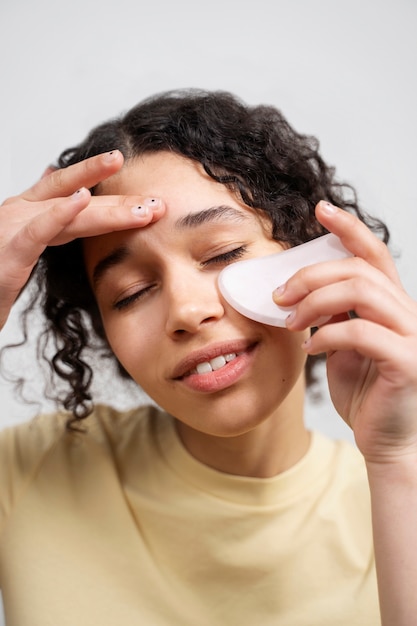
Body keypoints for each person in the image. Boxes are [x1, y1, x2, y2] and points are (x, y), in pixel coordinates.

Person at [0, 89, 416, 626]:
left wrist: (397, 458)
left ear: (314, 252)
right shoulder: (27, 474)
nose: (186, 311)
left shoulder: (398, 482)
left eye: (223, 254)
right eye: (129, 293)